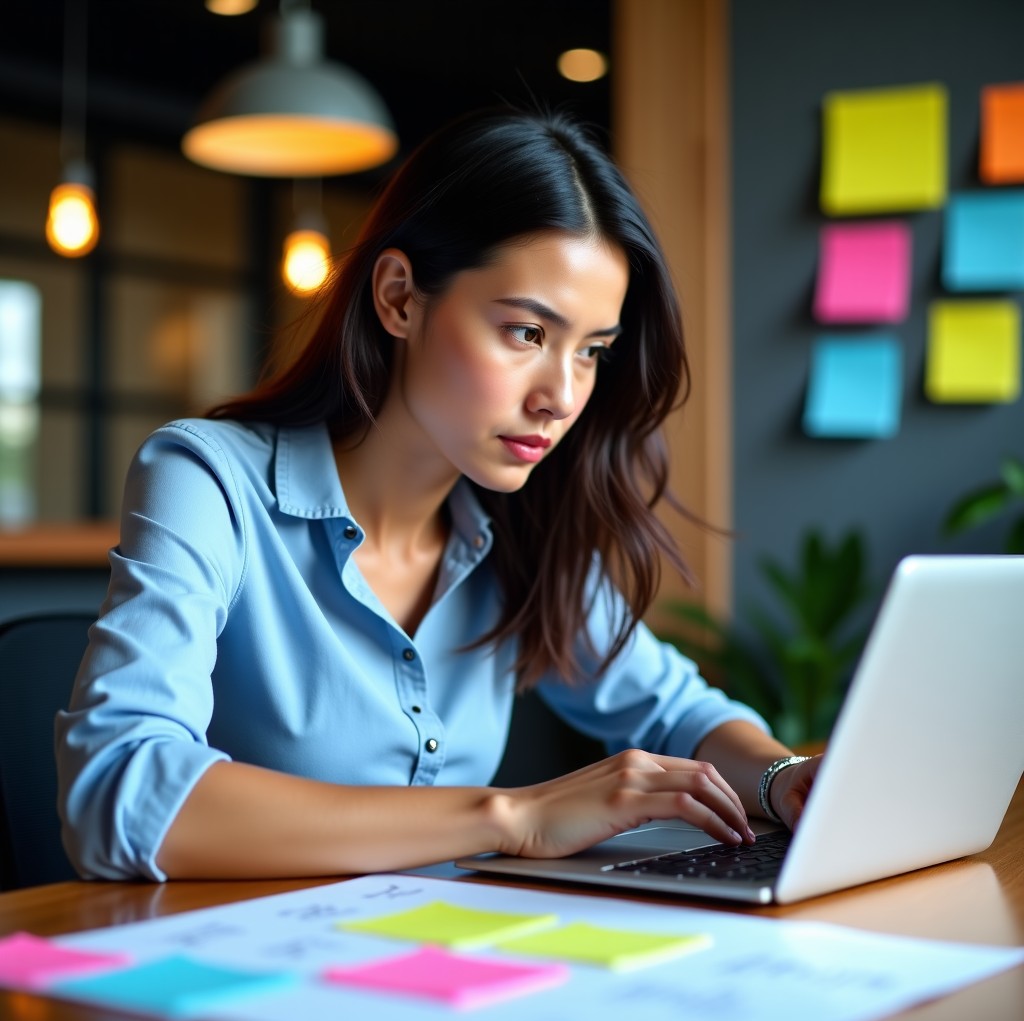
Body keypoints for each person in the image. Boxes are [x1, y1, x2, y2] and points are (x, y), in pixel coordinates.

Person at [55, 107, 821, 882]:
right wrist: (511, 816)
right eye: (527, 332)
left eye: (591, 352)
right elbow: (118, 792)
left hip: (443, 964)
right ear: (399, 299)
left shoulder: (523, 522)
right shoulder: (209, 480)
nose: (561, 395)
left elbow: (675, 712)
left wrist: (782, 778)